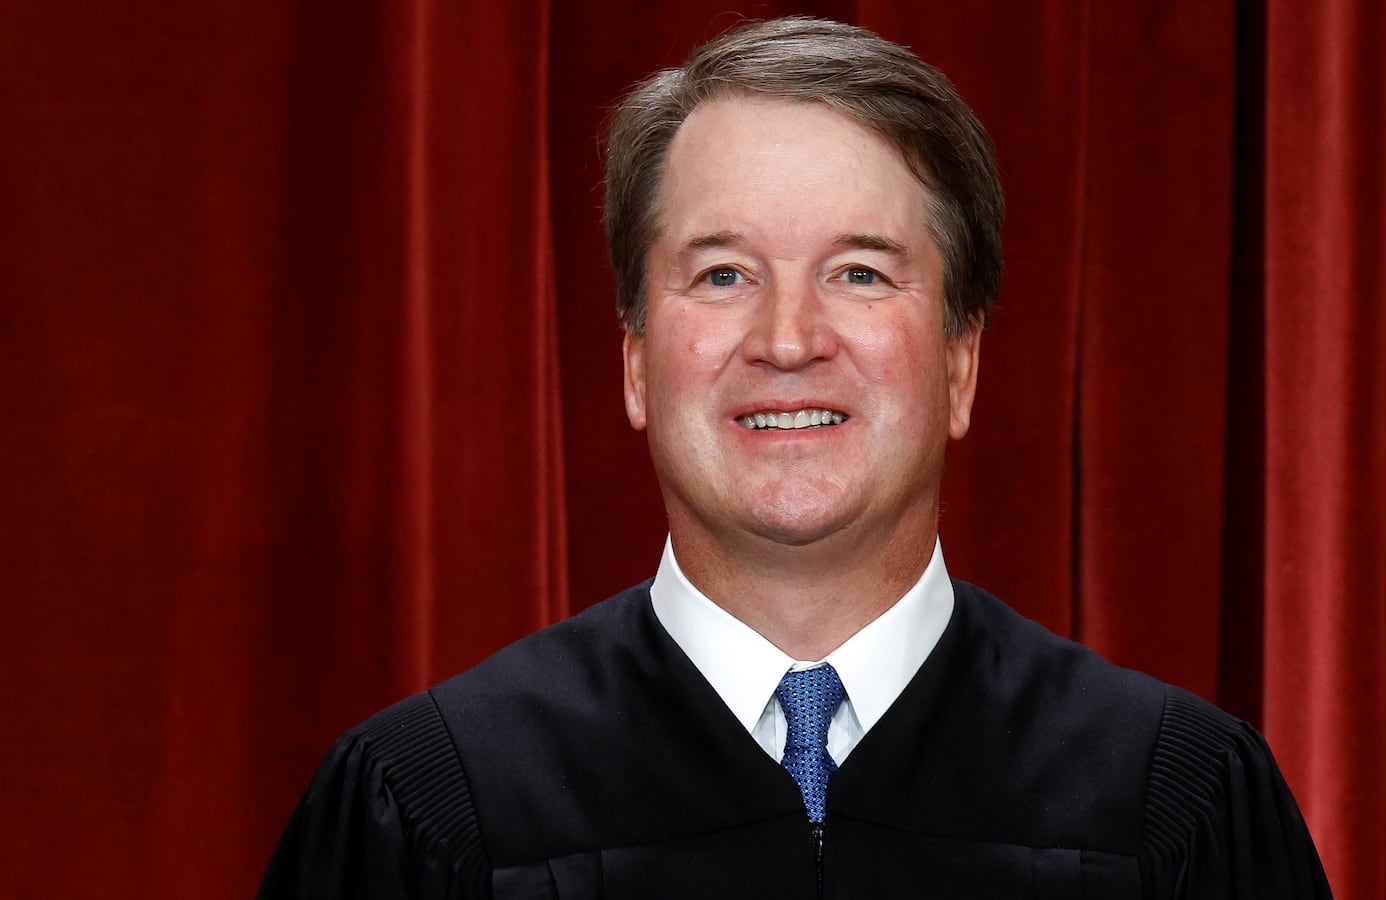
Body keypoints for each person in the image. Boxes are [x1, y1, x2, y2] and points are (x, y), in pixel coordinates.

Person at [259, 16, 1331, 899]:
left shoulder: (1171, 811)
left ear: (960, 365)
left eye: (860, 274)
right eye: (721, 274)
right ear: (636, 364)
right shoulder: (430, 812)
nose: (786, 338)